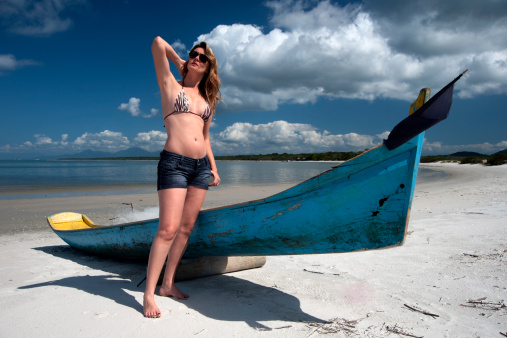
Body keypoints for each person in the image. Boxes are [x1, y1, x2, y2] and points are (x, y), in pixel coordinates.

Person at [143, 36, 221, 318]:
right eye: (193, 55)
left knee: (186, 229)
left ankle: (168, 284)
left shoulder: (207, 99)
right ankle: (149, 295)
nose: (196, 59)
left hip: (200, 168)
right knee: (167, 229)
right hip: (174, 164)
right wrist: (180, 62)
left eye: (202, 58)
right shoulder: (170, 85)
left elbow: (205, 137)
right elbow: (157, 43)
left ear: (209, 67)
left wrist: (213, 167)